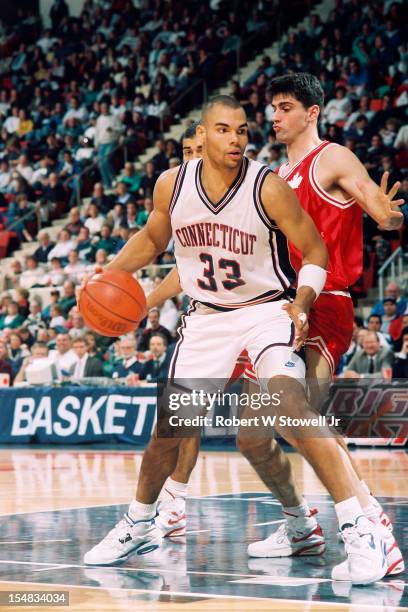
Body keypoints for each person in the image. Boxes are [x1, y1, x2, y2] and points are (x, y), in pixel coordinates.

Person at [83, 95, 388, 585]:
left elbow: (314, 250)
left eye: (243, 130)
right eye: (224, 130)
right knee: (169, 431)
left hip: (267, 311)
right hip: (206, 321)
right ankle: (140, 521)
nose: (236, 139)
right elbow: (152, 237)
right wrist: (110, 274)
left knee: (290, 408)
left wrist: (303, 301)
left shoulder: (266, 186)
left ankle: (361, 527)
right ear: (200, 136)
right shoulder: (171, 184)